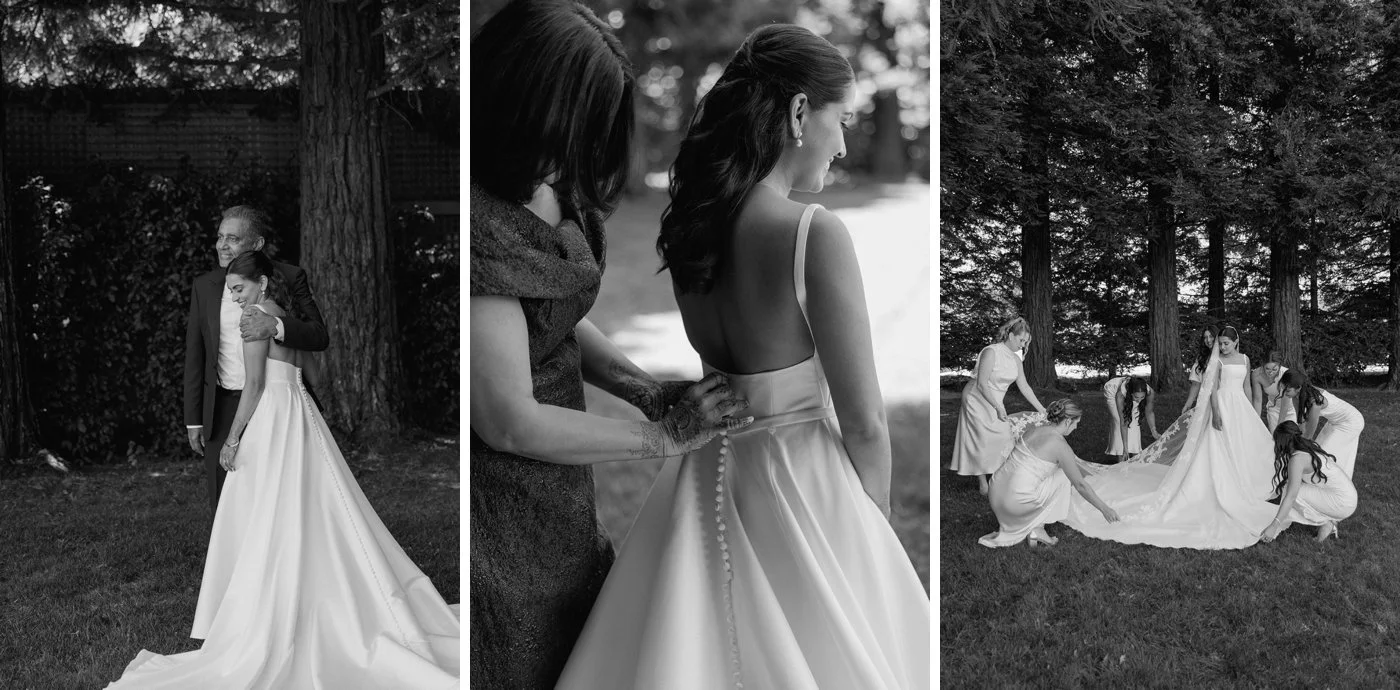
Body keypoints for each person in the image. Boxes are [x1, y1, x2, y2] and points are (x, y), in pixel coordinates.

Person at [556, 24, 928, 690]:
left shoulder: (694, 225)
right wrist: (877, 540)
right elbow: (866, 421)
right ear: (798, 113)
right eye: (841, 120)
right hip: (802, 483)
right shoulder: (812, 233)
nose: (843, 144)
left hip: (706, 476)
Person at [469, 2, 752, 687]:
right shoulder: (482, 227)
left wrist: (645, 390)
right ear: (529, 99)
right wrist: (662, 440)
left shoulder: (558, 192)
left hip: (560, 499)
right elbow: (507, 419)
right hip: (498, 517)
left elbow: (555, 317)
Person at [108, 251, 459, 688]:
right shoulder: (285, 319)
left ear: (262, 283)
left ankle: (264, 609)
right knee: (311, 505)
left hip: (272, 419)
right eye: (232, 290)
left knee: (266, 512)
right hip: (301, 414)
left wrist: (233, 438)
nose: (234, 297)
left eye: (239, 288)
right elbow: (310, 368)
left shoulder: (254, 320)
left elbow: (253, 386)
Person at [1063, 325, 1278, 549]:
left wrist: (1252, 414)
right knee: (1219, 446)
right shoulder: (1218, 362)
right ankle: (1220, 483)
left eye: (1225, 343)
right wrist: (1215, 412)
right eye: (1220, 343)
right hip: (1222, 405)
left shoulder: (1245, 360)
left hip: (1239, 407)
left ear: (1236, 342)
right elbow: (1212, 389)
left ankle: (1245, 483)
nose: (1221, 347)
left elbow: (1246, 388)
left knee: (1241, 445)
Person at [183, 205, 328, 519]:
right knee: (225, 500)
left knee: (282, 496)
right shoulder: (204, 285)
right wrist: (194, 418)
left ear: (257, 244)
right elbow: (196, 353)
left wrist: (276, 327)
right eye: (220, 237)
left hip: (277, 408)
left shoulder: (289, 277)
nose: (222, 245)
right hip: (222, 405)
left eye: (232, 239)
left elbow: (319, 336)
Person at [980, 400, 1120, 548]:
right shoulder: (1060, 446)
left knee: (1050, 471)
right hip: (1013, 503)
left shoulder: (1033, 430)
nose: (1076, 427)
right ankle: (1038, 528)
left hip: (996, 492)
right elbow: (1080, 485)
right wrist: (1105, 509)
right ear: (1067, 421)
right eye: (1076, 423)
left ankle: (1033, 526)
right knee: (1064, 477)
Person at [948, 316, 1048, 494]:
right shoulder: (991, 352)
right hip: (976, 398)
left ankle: (997, 474)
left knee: (1003, 435)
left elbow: (1024, 386)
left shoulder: (1016, 360)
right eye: (1021, 340)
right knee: (980, 437)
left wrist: (1042, 409)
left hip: (995, 401)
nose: (1023, 345)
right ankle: (982, 482)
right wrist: (998, 407)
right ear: (1010, 335)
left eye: (1026, 342)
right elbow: (982, 384)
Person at [1260, 421, 1357, 543]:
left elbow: (1291, 496)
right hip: (1348, 497)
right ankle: (1328, 521)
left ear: (1283, 442)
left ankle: (1327, 521)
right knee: (1291, 489)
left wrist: (1274, 526)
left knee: (1290, 493)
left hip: (1342, 503)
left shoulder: (1297, 460)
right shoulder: (1306, 447)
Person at [1279, 370, 1365, 478]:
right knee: (1319, 449)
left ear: (1298, 388)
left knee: (1324, 454)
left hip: (1351, 422)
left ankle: (1330, 481)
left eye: (1287, 390)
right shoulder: (1296, 396)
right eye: (1283, 389)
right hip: (1335, 422)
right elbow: (1301, 422)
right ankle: (1320, 479)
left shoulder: (1315, 402)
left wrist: (1297, 448)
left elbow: (1309, 434)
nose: (1285, 394)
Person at [1102, 375, 1159, 460]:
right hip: (1112, 390)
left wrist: (1154, 431)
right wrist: (1125, 449)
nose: (1139, 401)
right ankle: (1122, 457)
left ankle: (1135, 455)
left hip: (1128, 392)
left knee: (1134, 421)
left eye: (1142, 397)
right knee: (1118, 421)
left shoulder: (1150, 392)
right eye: (1136, 397)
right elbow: (1123, 422)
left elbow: (1149, 412)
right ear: (1131, 393)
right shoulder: (1120, 395)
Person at [1250, 350, 1294, 432]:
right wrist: (1256, 420)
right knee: (1274, 439)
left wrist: (1279, 426)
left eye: (1274, 369)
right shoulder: (1256, 374)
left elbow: (1285, 405)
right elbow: (1258, 400)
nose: (1270, 372)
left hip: (1288, 409)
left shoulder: (1286, 374)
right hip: (1272, 409)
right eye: (1267, 369)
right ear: (1263, 365)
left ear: (1280, 365)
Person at [1179, 324, 1218, 414]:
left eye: (1211, 336)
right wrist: (1188, 405)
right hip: (1205, 399)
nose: (1208, 340)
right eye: (1205, 337)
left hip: (1222, 398)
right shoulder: (1202, 358)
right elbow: (1196, 383)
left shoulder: (1225, 357)